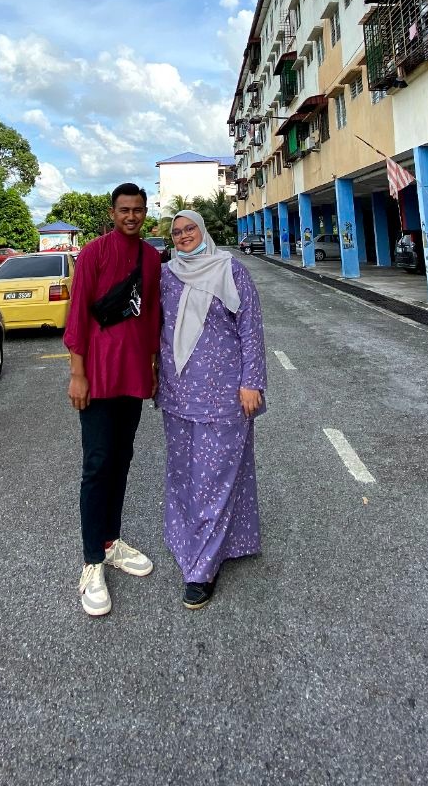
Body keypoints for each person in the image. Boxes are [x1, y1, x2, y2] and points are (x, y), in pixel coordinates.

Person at [156, 209, 266, 610]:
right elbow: (155, 328)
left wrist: (252, 382)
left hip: (224, 395)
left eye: (191, 229)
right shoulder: (166, 275)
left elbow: (250, 329)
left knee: (214, 477)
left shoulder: (230, 270)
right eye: (177, 231)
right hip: (177, 392)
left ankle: (201, 569)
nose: (184, 235)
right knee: (183, 473)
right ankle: (194, 540)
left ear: (203, 231)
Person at [64, 183, 162, 617]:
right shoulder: (93, 254)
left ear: (145, 212)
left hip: (133, 375)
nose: (132, 216)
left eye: (138, 210)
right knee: (97, 464)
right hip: (99, 376)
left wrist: (154, 367)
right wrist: (77, 374)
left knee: (122, 459)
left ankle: (111, 541)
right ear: (112, 212)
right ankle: (92, 562)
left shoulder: (151, 259)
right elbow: (77, 315)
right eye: (124, 210)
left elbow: (152, 315)